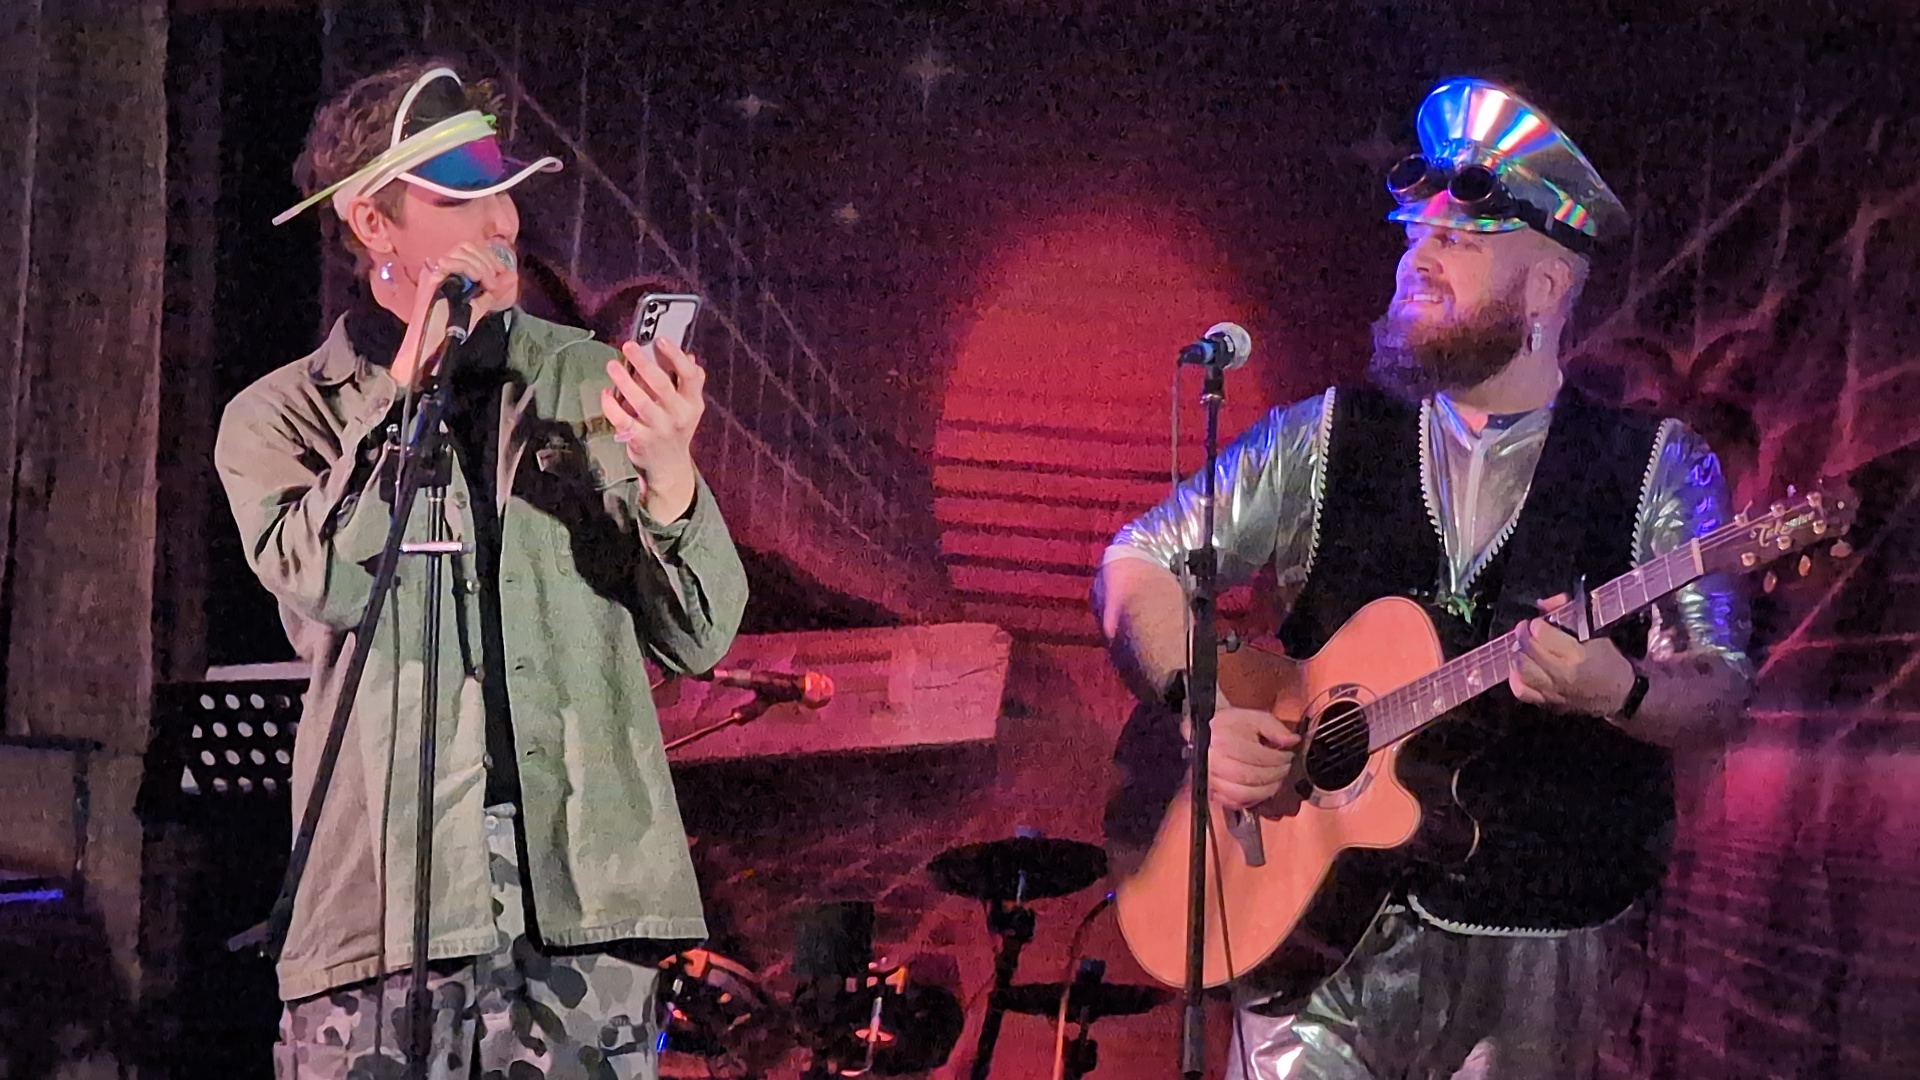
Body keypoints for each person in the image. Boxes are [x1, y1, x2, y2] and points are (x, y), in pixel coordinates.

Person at [1093, 78, 1751, 1080]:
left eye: (1458, 240)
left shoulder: (1657, 465)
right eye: (1415, 236)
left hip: (1536, 951)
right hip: (1311, 946)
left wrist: (1620, 689)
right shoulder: (1322, 437)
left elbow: (1719, 688)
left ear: (1545, 288)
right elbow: (1135, 562)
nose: (1415, 259)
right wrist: (1202, 705)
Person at [215, 59, 748, 1080]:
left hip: (585, 906)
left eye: (502, 191)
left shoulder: (587, 381)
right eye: (461, 198)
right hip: (383, 908)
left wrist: (671, 475)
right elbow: (328, 581)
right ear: (373, 222)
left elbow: (700, 632)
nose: (502, 220)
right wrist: (403, 395)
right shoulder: (281, 416)